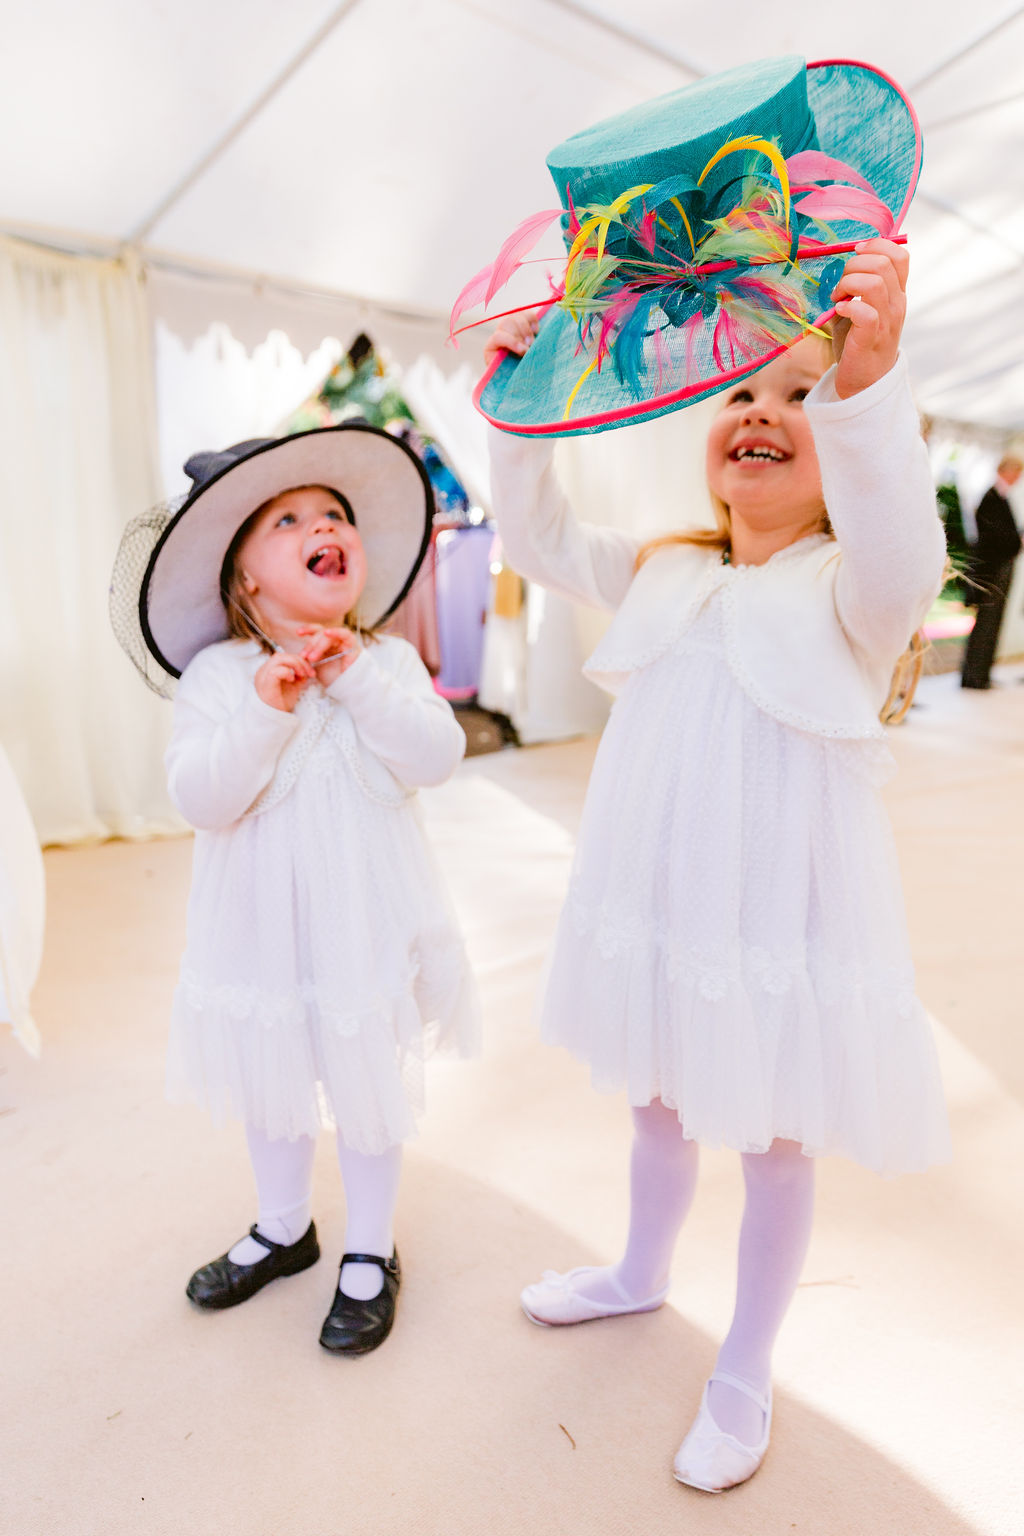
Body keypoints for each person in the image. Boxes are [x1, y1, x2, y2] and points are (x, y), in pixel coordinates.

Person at [484, 239, 950, 1490]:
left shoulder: (858, 592)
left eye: (796, 395)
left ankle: (744, 1362)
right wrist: (519, 407)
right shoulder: (661, 565)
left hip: (776, 920)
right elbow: (530, 536)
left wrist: (864, 385)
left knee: (773, 1138)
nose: (762, 409)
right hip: (661, 903)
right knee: (655, 1101)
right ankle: (640, 1271)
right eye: (743, 391)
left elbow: (905, 541)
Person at [114, 426, 478, 1354]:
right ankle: (284, 1224)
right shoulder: (218, 676)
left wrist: (358, 682)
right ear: (245, 579)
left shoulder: (386, 660)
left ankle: (369, 1246)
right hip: (259, 929)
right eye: (290, 519)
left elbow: (436, 755)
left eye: (336, 515)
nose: (324, 526)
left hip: (365, 921)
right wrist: (265, 713)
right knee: (270, 1079)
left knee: (365, 1078)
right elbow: (201, 796)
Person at [960, 455, 1023, 689]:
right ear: (1005, 471)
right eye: (1016, 471)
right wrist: (1017, 541)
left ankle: (981, 674)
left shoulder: (1002, 498)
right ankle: (974, 676)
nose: (1018, 477)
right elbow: (994, 537)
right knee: (986, 624)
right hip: (992, 571)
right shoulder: (991, 498)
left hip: (999, 568)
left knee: (992, 623)